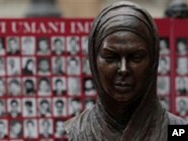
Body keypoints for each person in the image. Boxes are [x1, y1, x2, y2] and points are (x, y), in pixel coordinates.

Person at [64, 1, 187, 141]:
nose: (123, 69)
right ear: (94, 60)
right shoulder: (76, 131)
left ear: (153, 61)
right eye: (111, 57)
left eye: (136, 57)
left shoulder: (178, 130)